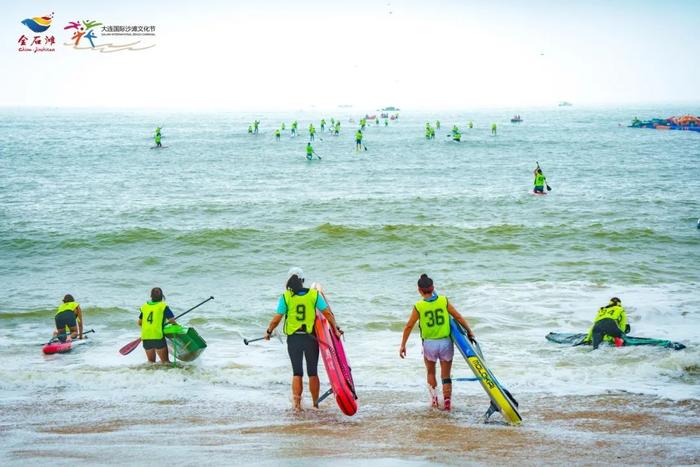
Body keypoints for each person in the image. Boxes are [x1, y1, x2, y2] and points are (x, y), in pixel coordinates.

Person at [265, 268, 341, 411]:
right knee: (312, 372)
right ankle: (315, 405)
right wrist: (335, 329)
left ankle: (297, 407)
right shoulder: (314, 295)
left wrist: (269, 331)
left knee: (297, 372)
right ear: (303, 280)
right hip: (311, 338)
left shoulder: (286, 296)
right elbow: (327, 314)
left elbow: (277, 319)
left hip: (294, 340)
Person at [399, 274, 475, 411]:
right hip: (446, 343)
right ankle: (447, 403)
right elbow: (458, 316)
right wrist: (469, 331)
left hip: (429, 344)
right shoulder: (443, 300)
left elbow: (409, 326)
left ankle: (434, 401)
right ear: (433, 288)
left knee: (430, 373)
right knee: (445, 375)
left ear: (419, 290)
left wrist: (403, 345)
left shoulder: (419, 306)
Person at [138, 287, 176, 363]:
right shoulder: (163, 306)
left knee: (151, 363)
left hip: (146, 337)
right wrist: (176, 325)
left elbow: (139, 322)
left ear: (151, 296)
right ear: (162, 296)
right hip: (158, 336)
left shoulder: (145, 306)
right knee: (166, 363)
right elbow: (172, 321)